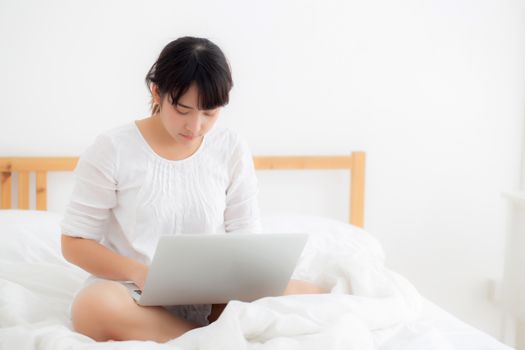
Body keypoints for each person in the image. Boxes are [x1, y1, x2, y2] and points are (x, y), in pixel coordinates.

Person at [60, 36, 325, 343]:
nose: (195, 126)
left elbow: (245, 233)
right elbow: (74, 242)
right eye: (182, 110)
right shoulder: (113, 148)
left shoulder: (230, 147)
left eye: (209, 113)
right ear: (156, 91)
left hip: (215, 292)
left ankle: (209, 332)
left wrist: (239, 280)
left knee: (310, 293)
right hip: (134, 292)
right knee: (92, 307)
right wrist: (138, 272)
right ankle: (207, 340)